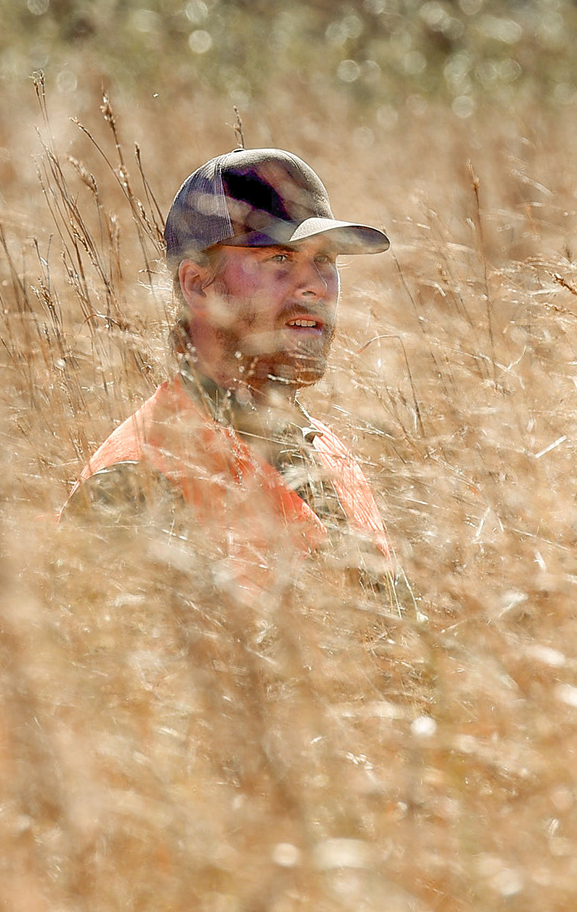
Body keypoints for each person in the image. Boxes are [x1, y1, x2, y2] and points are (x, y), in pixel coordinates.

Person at [65, 149, 411, 609]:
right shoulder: (136, 483)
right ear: (197, 286)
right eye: (280, 258)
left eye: (325, 260)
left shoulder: (325, 451)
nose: (315, 286)